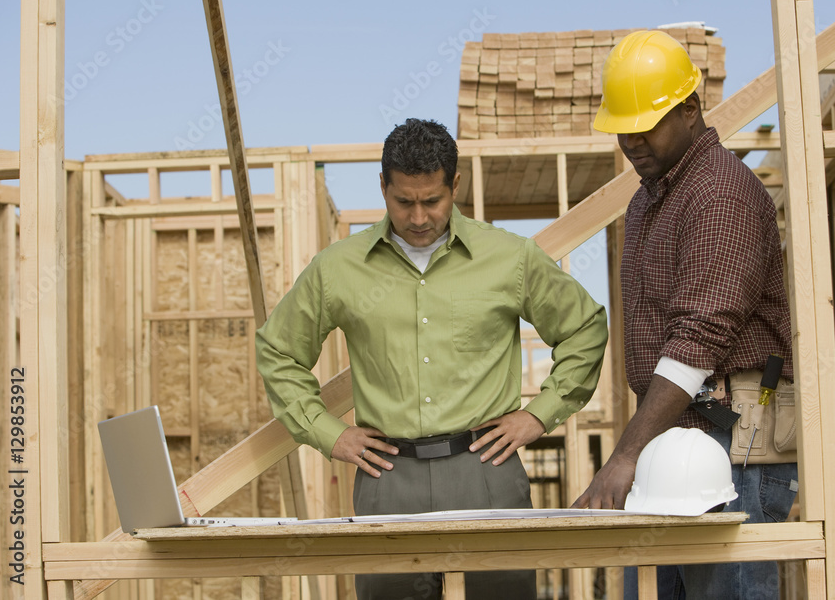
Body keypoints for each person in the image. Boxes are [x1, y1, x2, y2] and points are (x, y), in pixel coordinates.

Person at [257, 118, 608, 600]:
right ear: (383, 187)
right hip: (387, 477)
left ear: (455, 185)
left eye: (432, 201)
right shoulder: (337, 269)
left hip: (486, 468)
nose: (419, 217)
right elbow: (279, 351)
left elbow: (585, 327)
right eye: (404, 201)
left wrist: (538, 415)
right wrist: (327, 432)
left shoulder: (510, 258)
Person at [572, 30, 797, 599]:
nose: (631, 140)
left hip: (733, 445)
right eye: (622, 127)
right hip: (671, 439)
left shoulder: (720, 192)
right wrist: (641, 450)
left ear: (691, 108)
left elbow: (700, 336)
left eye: (645, 124)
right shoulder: (649, 198)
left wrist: (623, 456)